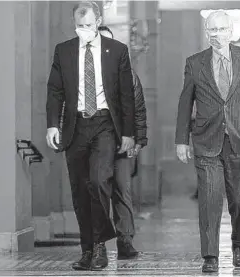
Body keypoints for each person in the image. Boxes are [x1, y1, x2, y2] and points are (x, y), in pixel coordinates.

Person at [175, 11, 240, 273]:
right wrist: (181, 140)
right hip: (206, 141)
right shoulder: (195, 63)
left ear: (231, 31)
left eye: (221, 29)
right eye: (212, 30)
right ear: (207, 32)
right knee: (209, 199)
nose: (216, 35)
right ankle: (210, 255)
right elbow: (185, 104)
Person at [46, 1, 135, 271]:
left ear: (98, 21)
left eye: (87, 25)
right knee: (80, 191)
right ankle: (88, 250)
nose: (83, 30)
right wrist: (53, 125)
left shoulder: (117, 51)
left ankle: (99, 247)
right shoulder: (64, 51)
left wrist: (129, 133)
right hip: (75, 127)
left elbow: (126, 95)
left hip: (105, 125)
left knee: (98, 181)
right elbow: (55, 90)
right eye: (78, 25)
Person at [98, 25, 148, 260]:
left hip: (121, 144)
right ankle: (96, 244)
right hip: (94, 143)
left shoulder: (128, 75)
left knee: (122, 190)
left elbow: (138, 109)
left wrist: (139, 140)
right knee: (96, 191)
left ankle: (125, 241)